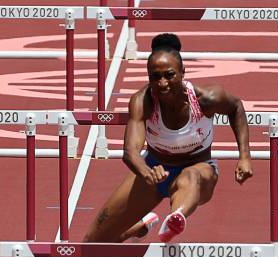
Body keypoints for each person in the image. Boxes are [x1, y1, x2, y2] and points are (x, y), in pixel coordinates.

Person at [83, 33, 252, 243]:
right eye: (155, 77)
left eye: (169, 75)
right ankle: (135, 228)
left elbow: (235, 108)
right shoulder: (142, 101)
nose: (162, 83)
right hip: (155, 169)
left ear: (182, 72)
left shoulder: (206, 99)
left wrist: (244, 156)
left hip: (199, 169)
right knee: (93, 244)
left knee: (189, 177)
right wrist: (146, 172)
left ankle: (175, 218)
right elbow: (130, 152)